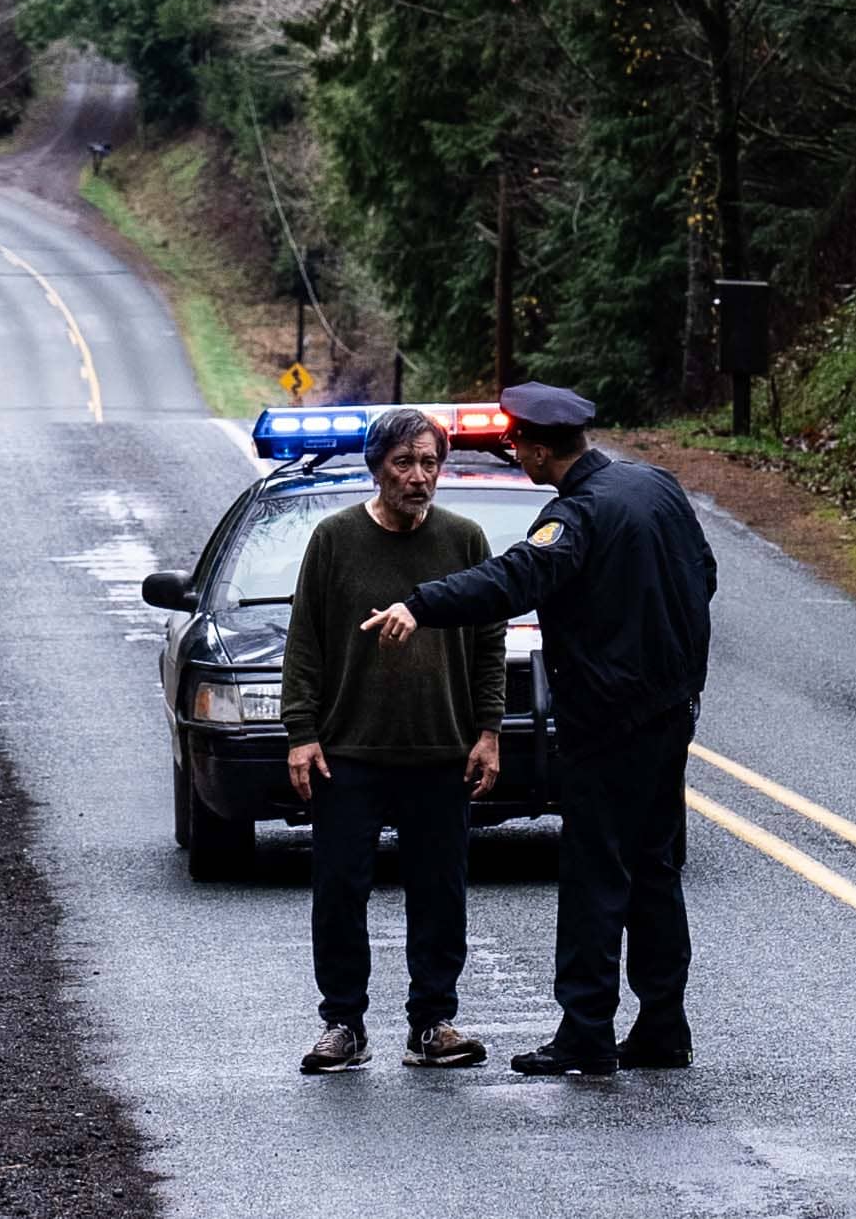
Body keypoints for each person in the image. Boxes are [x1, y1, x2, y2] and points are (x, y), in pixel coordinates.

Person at [365, 380, 716, 1077]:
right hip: (671, 715)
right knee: (654, 868)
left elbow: (511, 581)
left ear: (533, 446)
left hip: (606, 723)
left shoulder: (574, 517)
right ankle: (662, 1025)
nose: (513, 452)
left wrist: (419, 602)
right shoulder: (657, 486)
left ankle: (585, 1032)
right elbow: (702, 572)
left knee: (594, 875)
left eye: (514, 444)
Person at [279, 405, 505, 1073]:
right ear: (377, 467)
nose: (419, 476)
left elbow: (490, 641)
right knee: (339, 890)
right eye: (404, 463)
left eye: (430, 462)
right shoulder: (334, 538)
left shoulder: (464, 539)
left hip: (441, 750)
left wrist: (488, 729)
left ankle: (432, 1022)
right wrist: (301, 733)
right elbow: (304, 642)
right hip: (348, 751)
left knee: (441, 891)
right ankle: (342, 1023)